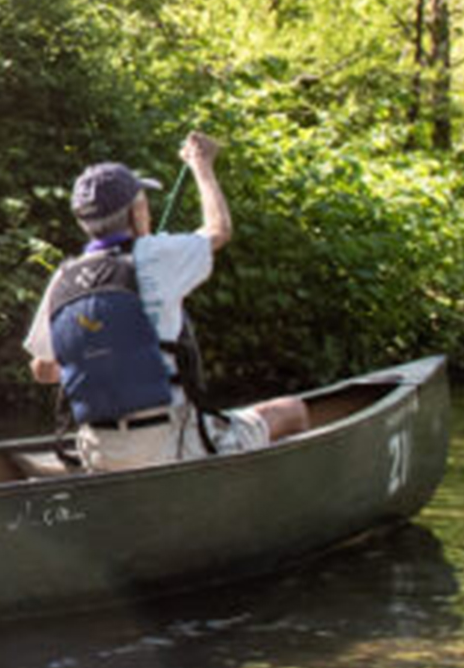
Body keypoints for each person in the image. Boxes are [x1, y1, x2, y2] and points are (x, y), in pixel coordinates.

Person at [22, 128, 311, 470]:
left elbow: (43, 371)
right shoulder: (159, 256)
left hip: (98, 451)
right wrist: (201, 165)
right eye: (143, 201)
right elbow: (219, 230)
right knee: (291, 411)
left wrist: (97, 353)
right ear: (136, 211)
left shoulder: (64, 278)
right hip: (169, 444)